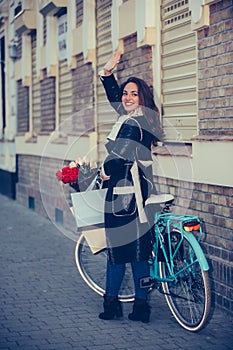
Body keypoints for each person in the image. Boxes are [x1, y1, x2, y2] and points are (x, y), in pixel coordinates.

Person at [98, 52, 163, 323]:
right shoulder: (141, 119)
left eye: (133, 94)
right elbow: (117, 102)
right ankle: (140, 308)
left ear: (143, 98)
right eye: (125, 93)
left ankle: (112, 307)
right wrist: (107, 73)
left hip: (124, 196)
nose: (126, 98)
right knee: (139, 253)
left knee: (116, 254)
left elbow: (119, 155)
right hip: (139, 195)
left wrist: (104, 170)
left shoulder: (131, 124)